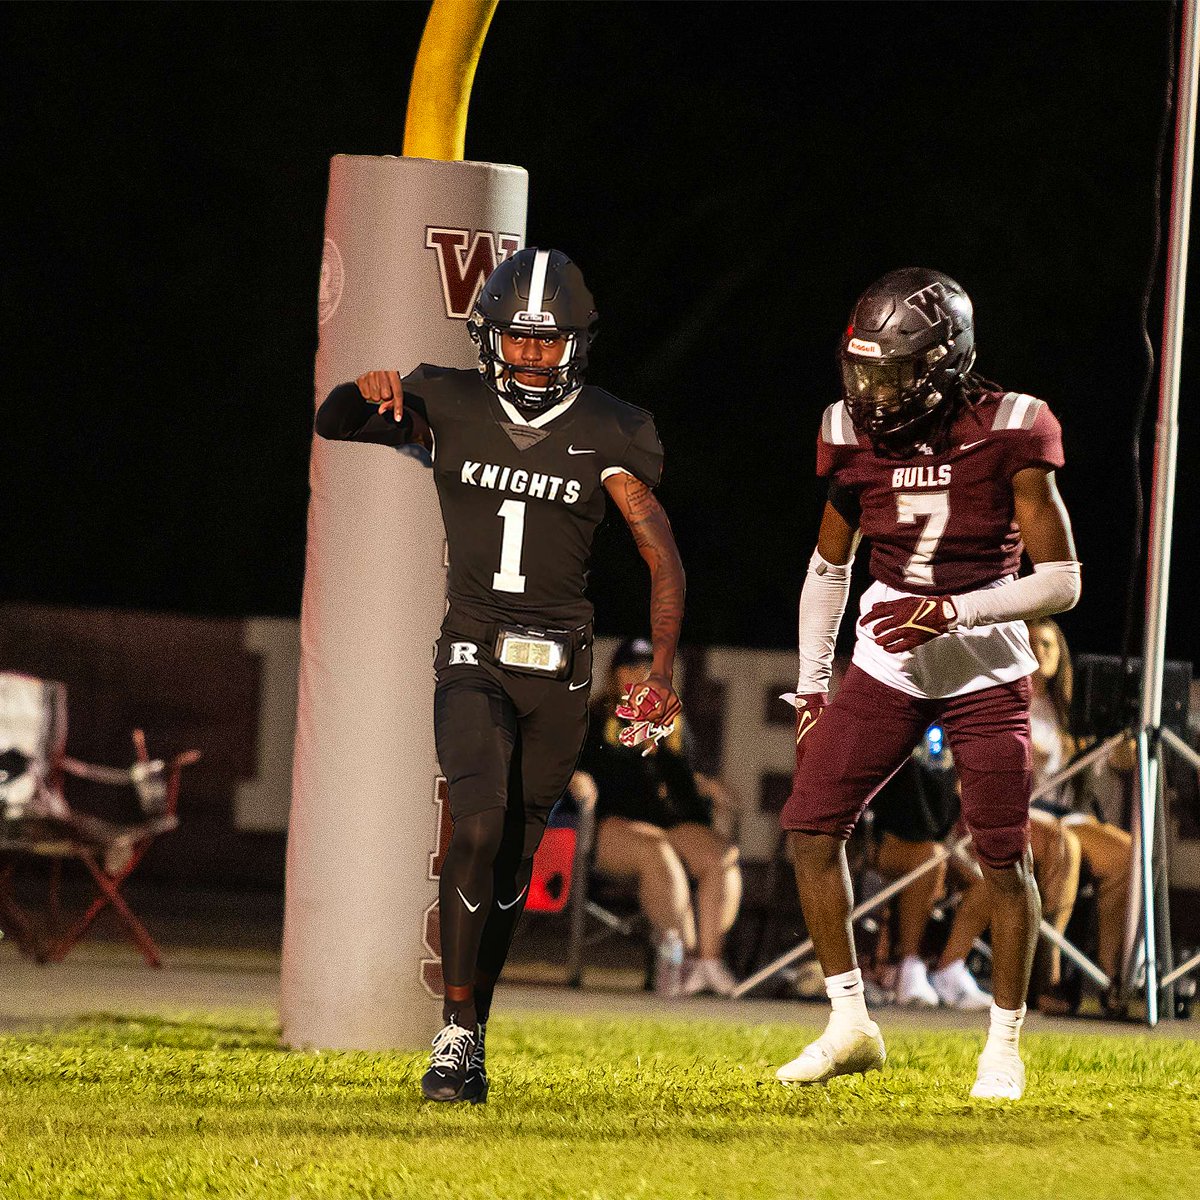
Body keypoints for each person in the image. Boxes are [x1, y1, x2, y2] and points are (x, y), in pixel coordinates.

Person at [315, 248, 685, 1103]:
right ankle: (452, 1036)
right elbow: (335, 420)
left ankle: (469, 1029)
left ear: (576, 347)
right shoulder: (446, 398)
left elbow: (660, 554)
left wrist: (661, 670)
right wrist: (361, 391)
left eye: (545, 344)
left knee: (513, 860)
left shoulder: (614, 427)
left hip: (559, 667)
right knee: (475, 827)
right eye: (516, 341)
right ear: (488, 338)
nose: (528, 358)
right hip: (475, 647)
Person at [774, 268, 1081, 1101]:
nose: (875, 391)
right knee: (809, 827)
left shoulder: (1013, 427)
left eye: (895, 373)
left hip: (982, 670)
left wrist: (953, 613)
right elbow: (828, 569)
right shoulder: (849, 430)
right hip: (886, 665)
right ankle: (849, 1023)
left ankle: (1004, 1048)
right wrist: (811, 689)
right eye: (865, 370)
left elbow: (1061, 581)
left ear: (945, 364)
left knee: (1001, 858)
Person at [570, 636, 742, 997]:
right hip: (610, 823)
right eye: (631, 668)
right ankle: (684, 958)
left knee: (721, 855)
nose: (640, 676)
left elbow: (683, 780)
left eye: (649, 669)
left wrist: (705, 785)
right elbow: (567, 766)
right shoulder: (596, 716)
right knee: (657, 850)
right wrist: (577, 779)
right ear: (614, 674)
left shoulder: (671, 721)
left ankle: (708, 962)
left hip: (662, 821)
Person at [1026, 616, 1132, 1012]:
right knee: (1064, 846)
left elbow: (1105, 764)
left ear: (1060, 655)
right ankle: (1048, 979)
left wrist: (1120, 753)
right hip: (1025, 810)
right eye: (1033, 643)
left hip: (1063, 812)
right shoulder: (1010, 701)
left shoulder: (1071, 711)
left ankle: (1111, 979)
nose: (1040, 653)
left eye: (1048, 645)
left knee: (1126, 853)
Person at [868, 734, 993, 1010]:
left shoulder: (952, 727)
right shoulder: (892, 713)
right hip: (883, 839)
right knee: (930, 859)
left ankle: (950, 969)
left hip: (938, 840)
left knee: (994, 876)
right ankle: (908, 966)